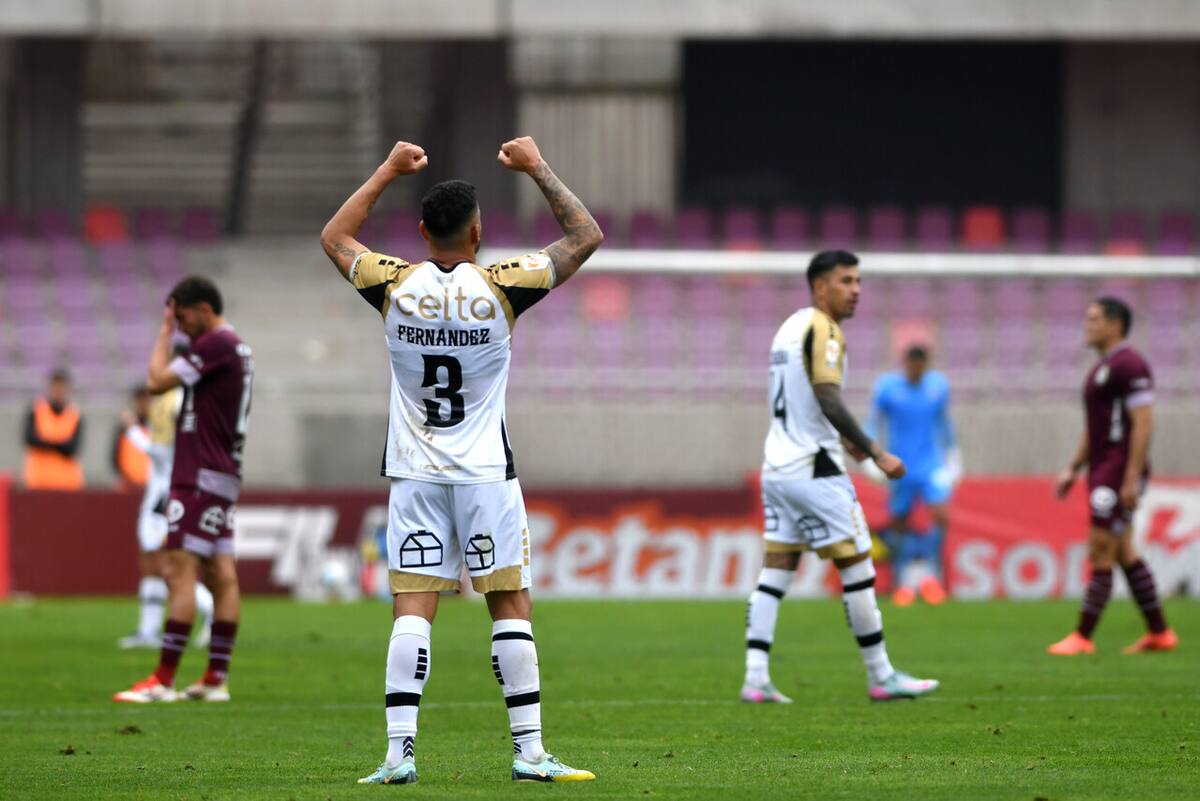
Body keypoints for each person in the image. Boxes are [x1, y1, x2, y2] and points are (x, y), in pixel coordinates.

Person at [320, 136, 603, 785]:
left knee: (412, 608)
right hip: (485, 474)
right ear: (478, 232)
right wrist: (536, 167)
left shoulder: (393, 283)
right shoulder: (502, 287)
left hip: (415, 472)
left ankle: (397, 755)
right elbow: (585, 235)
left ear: (422, 232)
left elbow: (335, 237)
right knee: (509, 603)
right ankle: (530, 753)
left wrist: (388, 170)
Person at [741, 250, 939, 705]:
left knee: (776, 571)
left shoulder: (788, 328)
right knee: (859, 568)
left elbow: (805, 402)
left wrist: (850, 443)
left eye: (858, 281)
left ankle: (755, 678)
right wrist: (876, 451)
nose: (856, 290)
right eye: (846, 281)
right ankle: (882, 674)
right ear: (819, 286)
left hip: (778, 468)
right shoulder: (825, 330)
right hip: (816, 470)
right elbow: (827, 397)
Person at [113, 276, 253, 703]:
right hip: (223, 473)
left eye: (184, 318)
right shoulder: (235, 347)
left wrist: (162, 332)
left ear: (204, 310)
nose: (181, 329)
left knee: (180, 571)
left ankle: (162, 680)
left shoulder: (215, 344)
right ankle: (214, 679)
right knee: (222, 575)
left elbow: (156, 382)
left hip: (199, 475)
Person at [1047, 298, 1177, 655]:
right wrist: (1074, 467)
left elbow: (1143, 422)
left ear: (1116, 325)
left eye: (1094, 319)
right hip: (1103, 468)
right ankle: (1160, 633)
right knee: (1123, 551)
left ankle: (1083, 636)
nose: (1087, 325)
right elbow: (1094, 427)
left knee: (1101, 547)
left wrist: (1131, 476)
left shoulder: (1130, 365)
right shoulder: (1101, 369)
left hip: (1118, 470)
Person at [115, 360, 215, 650]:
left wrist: (133, 431)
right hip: (159, 492)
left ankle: (212, 610)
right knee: (149, 561)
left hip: (170, 493)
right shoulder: (172, 403)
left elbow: (163, 452)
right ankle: (148, 630)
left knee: (165, 564)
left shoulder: (177, 404)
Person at [865, 344, 961, 605]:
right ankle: (901, 582)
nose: (916, 369)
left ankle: (932, 576)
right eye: (912, 365)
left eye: (920, 365)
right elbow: (873, 422)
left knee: (941, 514)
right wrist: (872, 457)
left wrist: (953, 456)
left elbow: (945, 423)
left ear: (925, 365)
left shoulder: (937, 386)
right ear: (905, 364)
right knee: (899, 521)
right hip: (900, 465)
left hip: (931, 464)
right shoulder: (888, 388)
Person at [23, 368, 85, 490]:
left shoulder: (75, 414)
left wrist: (45, 440)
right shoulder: (36, 409)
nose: (58, 390)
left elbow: (72, 448)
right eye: (56, 386)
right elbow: (30, 439)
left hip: (67, 482)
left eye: (62, 386)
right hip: (38, 480)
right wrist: (60, 443)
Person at [110, 386, 152, 490]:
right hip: (128, 485)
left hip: (150, 485)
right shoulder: (124, 428)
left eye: (146, 400)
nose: (144, 404)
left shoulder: (158, 428)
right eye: (140, 400)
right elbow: (115, 456)